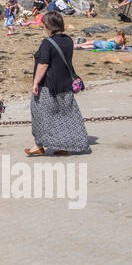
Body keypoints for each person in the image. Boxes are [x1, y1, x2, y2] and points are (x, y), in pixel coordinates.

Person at [26, 11, 89, 156]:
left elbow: (43, 64)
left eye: (44, 25)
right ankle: (62, 146)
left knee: (41, 115)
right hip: (66, 85)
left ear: (48, 26)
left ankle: (38, 145)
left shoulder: (47, 42)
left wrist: (35, 82)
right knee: (65, 116)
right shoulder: (68, 40)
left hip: (48, 86)